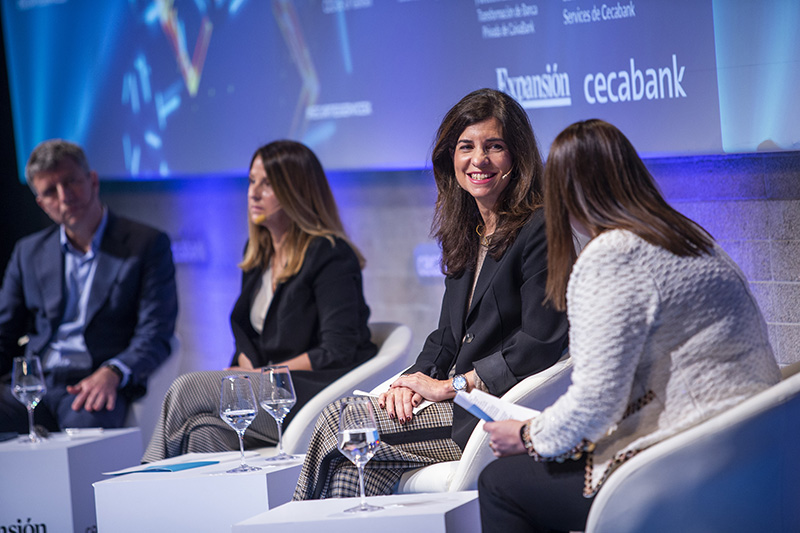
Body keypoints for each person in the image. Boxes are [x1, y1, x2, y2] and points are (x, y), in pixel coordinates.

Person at [478, 119, 782, 532]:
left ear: (564, 195)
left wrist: (528, 435)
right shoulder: (689, 236)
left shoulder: (613, 256)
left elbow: (595, 402)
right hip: (755, 454)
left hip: (686, 462)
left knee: (499, 483)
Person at [293, 88, 569, 500]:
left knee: (343, 423)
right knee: (351, 447)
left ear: (518, 157)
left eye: (494, 146)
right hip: (454, 403)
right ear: (450, 158)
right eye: (466, 147)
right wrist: (409, 382)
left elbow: (540, 343)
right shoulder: (467, 230)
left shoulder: (541, 228)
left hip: (493, 411)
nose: (479, 160)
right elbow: (445, 338)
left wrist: (453, 386)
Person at [142, 140, 376, 462]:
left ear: (296, 190)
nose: (253, 193)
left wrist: (264, 374)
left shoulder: (330, 253)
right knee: (201, 432)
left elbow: (337, 349)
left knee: (188, 388)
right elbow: (251, 337)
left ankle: (150, 476)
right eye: (252, 181)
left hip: (309, 394)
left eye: (268, 184)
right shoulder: (257, 257)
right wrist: (242, 367)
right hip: (266, 392)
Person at [0, 139, 178, 433]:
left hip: (94, 383)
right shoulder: (28, 252)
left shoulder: (146, 244)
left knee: (87, 440)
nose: (64, 196)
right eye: (50, 192)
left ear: (92, 180)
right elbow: (4, 333)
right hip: (35, 385)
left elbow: (156, 333)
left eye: (71, 182)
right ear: (41, 203)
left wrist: (113, 372)